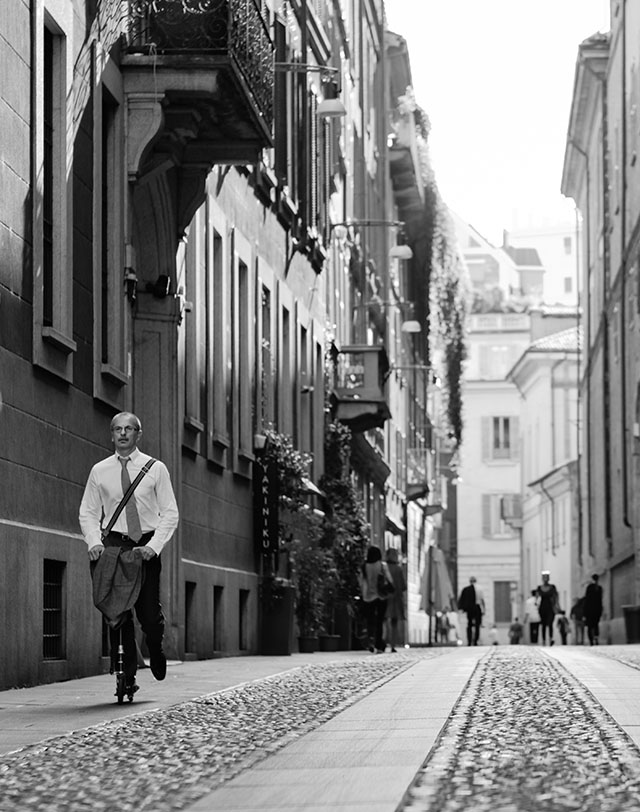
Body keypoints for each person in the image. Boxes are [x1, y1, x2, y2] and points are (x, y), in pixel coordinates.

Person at [79, 412, 179, 694]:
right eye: (118, 429)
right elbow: (87, 512)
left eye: (129, 429)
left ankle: (156, 647)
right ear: (111, 435)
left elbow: (170, 514)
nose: (123, 434)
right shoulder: (99, 471)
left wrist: (154, 546)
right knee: (118, 613)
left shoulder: (156, 469)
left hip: (145, 546)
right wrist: (93, 542)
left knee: (148, 614)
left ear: (138, 434)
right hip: (113, 547)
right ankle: (126, 674)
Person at [360, 546, 393, 653]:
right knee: (380, 621)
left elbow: (361, 581)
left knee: (370, 621)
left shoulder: (365, 566)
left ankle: (370, 641)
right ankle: (379, 644)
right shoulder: (382, 565)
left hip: (369, 597)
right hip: (381, 596)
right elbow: (389, 579)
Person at [384, 548, 406, 652]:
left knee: (383, 621)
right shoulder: (398, 569)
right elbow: (403, 586)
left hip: (385, 597)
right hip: (396, 598)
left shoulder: (384, 567)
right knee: (394, 622)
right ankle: (392, 645)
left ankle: (383, 641)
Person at [458, 576, 485, 646]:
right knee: (477, 625)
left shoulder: (467, 589)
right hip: (477, 607)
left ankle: (469, 641)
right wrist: (484, 610)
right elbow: (482, 600)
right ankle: (475, 641)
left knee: (469, 624)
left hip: (470, 608)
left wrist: (463, 608)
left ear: (470, 581)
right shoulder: (480, 588)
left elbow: (463, 600)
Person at [536, 570, 560, 646]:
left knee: (550, 623)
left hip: (550, 607)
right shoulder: (539, 588)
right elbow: (537, 598)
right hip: (542, 607)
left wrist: (557, 605)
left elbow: (556, 597)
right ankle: (543, 640)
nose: (545, 579)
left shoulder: (552, 587)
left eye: (547, 577)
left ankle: (550, 638)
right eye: (544, 577)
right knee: (543, 624)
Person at [583, 573, 604, 645]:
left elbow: (587, 600)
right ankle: (596, 638)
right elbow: (600, 600)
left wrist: (584, 612)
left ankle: (591, 640)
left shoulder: (590, 587)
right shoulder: (599, 588)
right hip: (596, 610)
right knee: (595, 625)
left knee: (590, 626)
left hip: (590, 610)